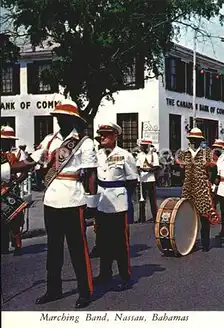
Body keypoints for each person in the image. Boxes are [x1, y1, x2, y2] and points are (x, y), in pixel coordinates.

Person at [29, 99, 98, 308]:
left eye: (64, 118)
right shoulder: (49, 140)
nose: (60, 121)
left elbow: (91, 174)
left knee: (78, 248)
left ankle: (85, 291)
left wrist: (92, 201)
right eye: (58, 118)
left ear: (73, 119)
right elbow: (34, 160)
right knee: (54, 248)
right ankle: (54, 289)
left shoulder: (84, 142)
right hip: (51, 199)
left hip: (73, 199)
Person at [93, 123, 138, 291]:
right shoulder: (96, 155)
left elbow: (132, 180)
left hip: (118, 204)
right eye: (101, 134)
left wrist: (123, 197)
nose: (102, 137)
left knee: (120, 242)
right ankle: (105, 273)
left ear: (115, 136)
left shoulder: (125, 155)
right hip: (101, 201)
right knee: (103, 240)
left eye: (106, 134)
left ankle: (125, 276)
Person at [178, 128, 220, 252]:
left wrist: (210, 182)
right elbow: (181, 171)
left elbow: (214, 170)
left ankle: (205, 243)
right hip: (188, 188)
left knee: (204, 216)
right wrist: (184, 182)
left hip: (202, 187)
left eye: (197, 140)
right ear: (190, 140)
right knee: (188, 217)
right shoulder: (184, 154)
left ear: (200, 141)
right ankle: (190, 243)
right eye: (192, 140)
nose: (194, 142)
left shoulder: (207, 153)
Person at [1, 126, 29, 255]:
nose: (4, 142)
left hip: (12, 189)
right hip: (1, 189)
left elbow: (25, 171)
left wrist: (15, 182)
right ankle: (3, 246)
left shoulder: (18, 153)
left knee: (15, 218)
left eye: (7, 140)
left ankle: (17, 244)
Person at [136, 139, 160, 223]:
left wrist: (147, 170)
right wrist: (139, 170)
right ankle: (141, 218)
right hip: (141, 180)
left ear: (148, 146)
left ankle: (155, 217)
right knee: (141, 200)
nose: (142, 147)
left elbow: (156, 167)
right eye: (142, 146)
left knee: (152, 200)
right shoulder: (139, 155)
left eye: (144, 146)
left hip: (150, 180)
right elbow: (137, 166)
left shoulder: (154, 155)